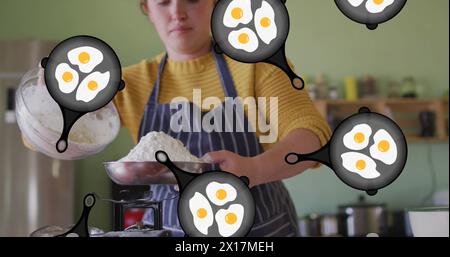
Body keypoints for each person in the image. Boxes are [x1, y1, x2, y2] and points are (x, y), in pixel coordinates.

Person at [24, 0, 331, 237]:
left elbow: (312, 136)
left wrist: (255, 168)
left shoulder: (258, 67)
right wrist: (50, 107)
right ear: (147, 8)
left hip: (260, 229)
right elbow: (51, 141)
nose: (178, 12)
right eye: (164, 2)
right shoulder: (127, 84)